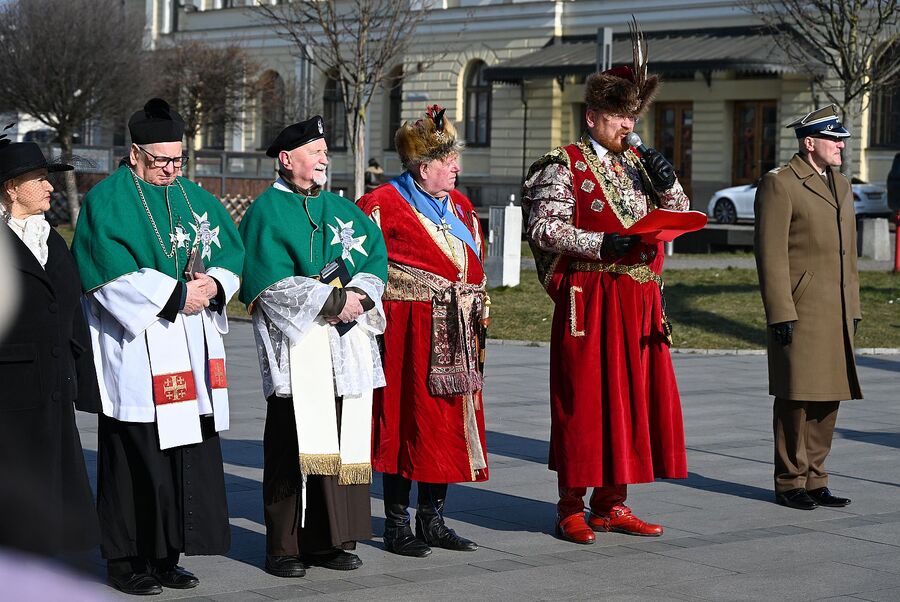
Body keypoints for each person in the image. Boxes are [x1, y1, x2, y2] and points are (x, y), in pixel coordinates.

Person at [521, 30, 689, 545]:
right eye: (618, 117)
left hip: (637, 301)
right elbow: (545, 227)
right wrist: (600, 243)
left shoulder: (640, 166)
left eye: (633, 117)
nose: (628, 126)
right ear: (593, 116)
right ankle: (571, 504)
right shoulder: (563, 163)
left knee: (632, 400)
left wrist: (667, 180)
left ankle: (612, 502)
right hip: (590, 300)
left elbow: (680, 215)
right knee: (586, 400)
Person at [71, 98, 244, 595]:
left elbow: (232, 251)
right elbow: (104, 272)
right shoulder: (109, 199)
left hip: (190, 346)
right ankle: (126, 561)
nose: (171, 169)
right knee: (135, 458)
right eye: (161, 160)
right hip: (138, 349)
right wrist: (175, 294)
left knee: (182, 459)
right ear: (135, 154)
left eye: (178, 159)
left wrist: (213, 285)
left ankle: (167, 555)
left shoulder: (195, 198)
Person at [239, 116, 388, 578]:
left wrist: (360, 296)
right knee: (290, 441)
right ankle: (283, 547)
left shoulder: (341, 209)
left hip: (344, 347)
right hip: (298, 347)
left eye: (325, 150)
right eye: (314, 150)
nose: (324, 157)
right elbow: (268, 282)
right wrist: (333, 300)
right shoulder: (266, 211)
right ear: (286, 159)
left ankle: (330, 540)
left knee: (341, 438)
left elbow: (374, 257)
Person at [357, 105, 489, 558]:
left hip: (457, 332)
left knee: (447, 423)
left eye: (455, 158)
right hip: (407, 335)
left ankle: (432, 519)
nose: (456, 167)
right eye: (448, 160)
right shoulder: (381, 205)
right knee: (405, 420)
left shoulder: (463, 207)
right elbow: (361, 268)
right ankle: (396, 524)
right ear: (422, 166)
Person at [754, 104, 862, 511]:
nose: (841, 146)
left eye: (842, 140)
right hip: (799, 307)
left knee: (828, 396)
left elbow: (848, 254)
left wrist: (853, 305)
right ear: (809, 142)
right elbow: (771, 254)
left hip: (836, 308)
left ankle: (816, 478)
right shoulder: (780, 184)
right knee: (796, 397)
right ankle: (789, 481)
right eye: (834, 139)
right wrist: (780, 310)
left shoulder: (842, 184)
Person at [0, 135, 100, 559]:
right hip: (11, 389)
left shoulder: (51, 238)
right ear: (11, 188)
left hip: (54, 384)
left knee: (55, 482)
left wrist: (85, 376)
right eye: (40, 178)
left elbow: (71, 309)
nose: (50, 187)